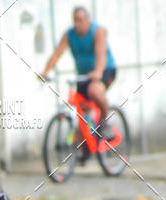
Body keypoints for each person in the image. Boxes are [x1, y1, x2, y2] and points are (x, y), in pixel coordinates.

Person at [39, 6, 116, 138]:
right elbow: (57, 53)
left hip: (105, 70)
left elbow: (101, 53)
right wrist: (44, 72)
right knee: (81, 111)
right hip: (84, 76)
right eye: (75, 20)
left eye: (80, 20)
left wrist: (98, 71)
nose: (77, 24)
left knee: (94, 91)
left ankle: (105, 122)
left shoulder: (97, 31)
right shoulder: (70, 35)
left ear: (88, 20)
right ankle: (82, 151)